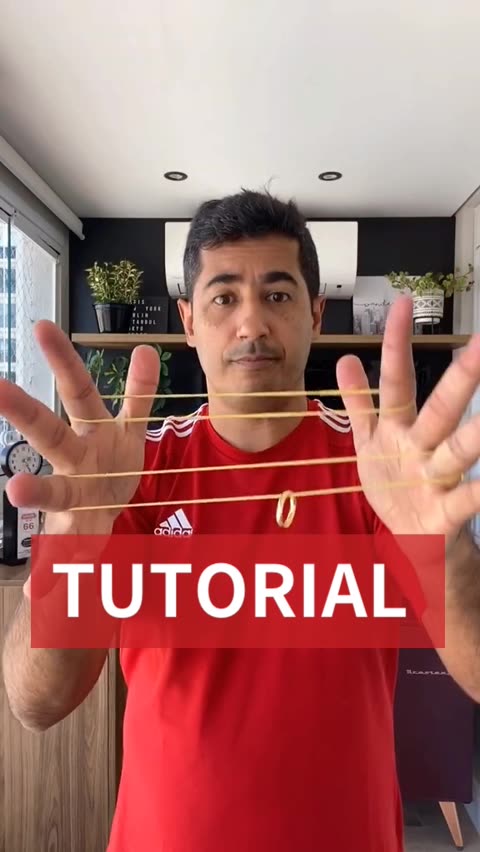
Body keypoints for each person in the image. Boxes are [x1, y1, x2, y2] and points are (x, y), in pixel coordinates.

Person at [3, 189, 480, 852]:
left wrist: (446, 552)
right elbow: (36, 705)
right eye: (224, 297)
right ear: (189, 320)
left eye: (277, 294)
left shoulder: (375, 473)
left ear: (315, 312)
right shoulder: (132, 475)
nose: (251, 323)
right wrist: (71, 544)